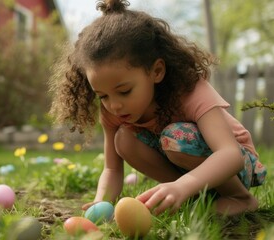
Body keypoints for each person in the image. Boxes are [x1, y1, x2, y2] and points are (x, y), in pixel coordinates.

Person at [49, 0, 266, 216]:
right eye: (102, 96)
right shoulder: (113, 110)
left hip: (237, 165)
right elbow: (112, 168)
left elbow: (229, 155)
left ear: (157, 71)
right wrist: (100, 204)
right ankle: (189, 200)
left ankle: (239, 199)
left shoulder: (189, 90)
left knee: (174, 138)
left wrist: (183, 185)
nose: (114, 105)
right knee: (123, 140)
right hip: (189, 170)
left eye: (124, 91)